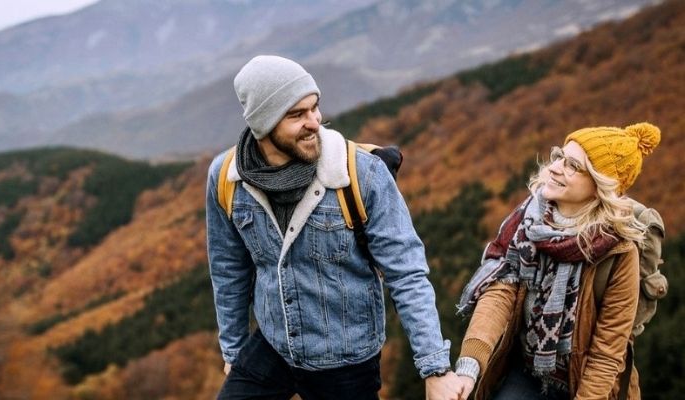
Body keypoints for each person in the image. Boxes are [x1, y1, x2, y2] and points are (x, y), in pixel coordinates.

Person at [206, 55, 463, 400]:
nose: (314, 122)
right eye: (297, 115)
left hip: (346, 360)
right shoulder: (227, 178)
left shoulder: (362, 174)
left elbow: (407, 273)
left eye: (315, 108)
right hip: (273, 345)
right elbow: (228, 269)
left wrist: (435, 369)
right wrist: (234, 352)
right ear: (263, 124)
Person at [453, 123, 661, 399]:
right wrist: (470, 364)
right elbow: (499, 293)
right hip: (527, 371)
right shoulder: (529, 222)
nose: (554, 168)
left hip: (585, 385)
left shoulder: (619, 254)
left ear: (600, 185)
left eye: (573, 165)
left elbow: (606, 355)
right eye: (559, 156)